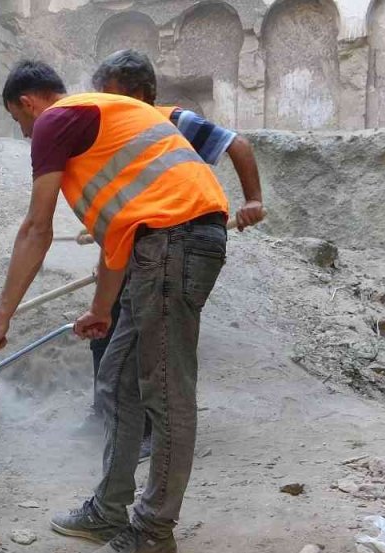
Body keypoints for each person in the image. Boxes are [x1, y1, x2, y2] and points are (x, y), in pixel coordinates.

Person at [0, 59, 244, 553]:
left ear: (30, 103)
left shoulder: (57, 120)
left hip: (177, 241)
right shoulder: (100, 132)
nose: (25, 133)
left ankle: (153, 529)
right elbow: (119, 236)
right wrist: (101, 310)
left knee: (165, 392)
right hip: (160, 243)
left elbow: (36, 228)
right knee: (117, 379)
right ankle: (108, 509)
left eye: (18, 120)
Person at [84, 50, 265, 460]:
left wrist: (253, 200)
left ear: (139, 92)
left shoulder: (172, 120)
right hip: (137, 243)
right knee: (105, 328)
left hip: (172, 240)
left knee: (153, 340)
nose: (104, 102)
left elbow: (238, 145)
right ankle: (106, 413)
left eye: (110, 93)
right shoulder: (116, 132)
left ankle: (150, 431)